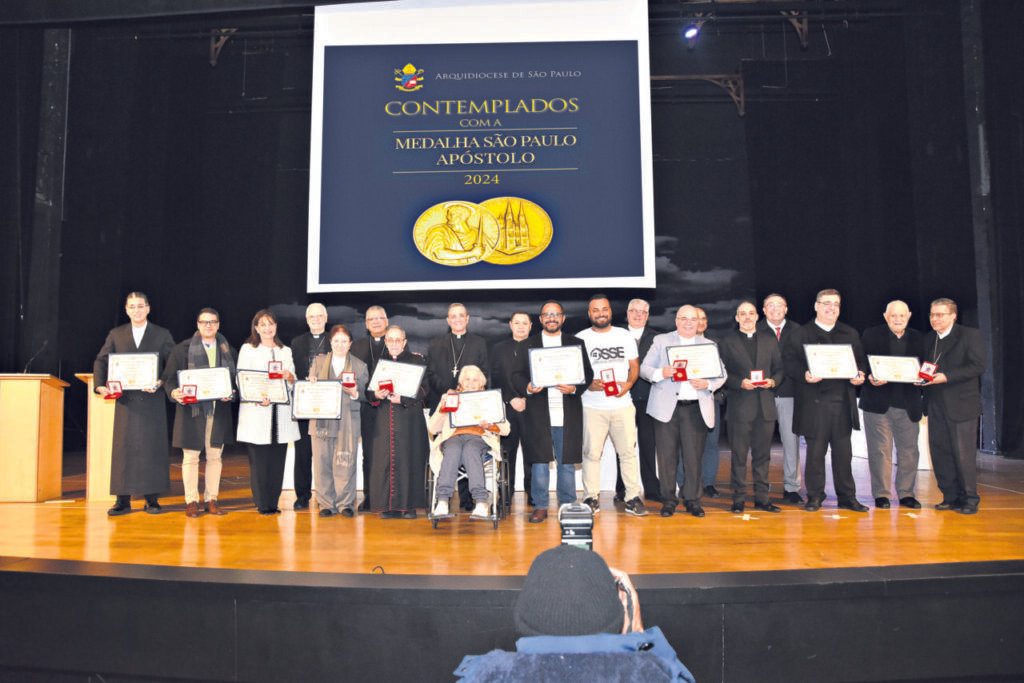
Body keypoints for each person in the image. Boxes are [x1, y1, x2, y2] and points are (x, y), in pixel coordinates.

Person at [455, 545, 695, 682]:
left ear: (522, 615)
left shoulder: (487, 674)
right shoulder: (654, 673)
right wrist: (640, 636)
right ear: (622, 614)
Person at [782, 289, 868, 512]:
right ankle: (814, 496)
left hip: (842, 404)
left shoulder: (850, 333)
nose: (831, 308)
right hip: (814, 404)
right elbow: (789, 363)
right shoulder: (801, 334)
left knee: (844, 455)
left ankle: (847, 497)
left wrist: (860, 374)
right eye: (827, 303)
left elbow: (860, 362)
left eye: (836, 304)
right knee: (815, 455)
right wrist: (804, 374)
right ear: (816, 306)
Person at [93, 292, 175, 515]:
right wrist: (100, 385)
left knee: (152, 448)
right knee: (124, 449)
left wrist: (161, 381)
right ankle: (122, 500)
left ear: (148, 309)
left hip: (152, 401)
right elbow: (101, 360)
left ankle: (152, 499)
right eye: (132, 307)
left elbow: (173, 363)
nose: (136, 310)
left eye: (140, 306)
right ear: (126, 310)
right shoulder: (116, 334)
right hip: (126, 402)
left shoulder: (162, 334)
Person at [641, 305, 726, 518]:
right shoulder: (661, 341)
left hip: (695, 409)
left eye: (693, 319)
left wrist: (708, 384)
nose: (688, 323)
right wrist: (661, 372)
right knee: (666, 458)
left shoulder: (708, 345)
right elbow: (644, 369)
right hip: (666, 409)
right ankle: (668, 500)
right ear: (677, 321)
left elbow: (722, 374)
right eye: (684, 319)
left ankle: (693, 500)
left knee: (693, 458)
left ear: (699, 323)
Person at [512, 301, 594, 523]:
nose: (551, 318)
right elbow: (516, 375)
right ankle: (540, 506)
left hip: (567, 410)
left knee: (566, 461)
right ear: (541, 319)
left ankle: (567, 504)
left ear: (563, 318)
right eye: (547, 314)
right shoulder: (528, 344)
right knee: (539, 461)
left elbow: (587, 373)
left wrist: (574, 388)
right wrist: (528, 387)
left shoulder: (575, 343)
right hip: (539, 411)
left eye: (556, 314)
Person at [162, 307, 237, 517]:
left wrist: (232, 392)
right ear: (198, 324)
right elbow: (168, 379)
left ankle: (212, 499)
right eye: (204, 322)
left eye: (212, 321)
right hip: (191, 412)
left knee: (215, 457)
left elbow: (235, 382)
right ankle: (191, 500)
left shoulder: (228, 350)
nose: (208, 325)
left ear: (218, 324)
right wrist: (174, 392)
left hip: (218, 411)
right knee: (190, 457)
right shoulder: (182, 350)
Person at [577, 295, 646, 517]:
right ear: (590, 314)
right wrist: (588, 384)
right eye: (595, 310)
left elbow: (634, 366)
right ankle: (590, 497)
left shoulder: (624, 336)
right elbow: (576, 371)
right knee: (591, 454)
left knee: (627, 453)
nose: (601, 313)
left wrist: (628, 384)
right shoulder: (580, 338)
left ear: (610, 311)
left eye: (604, 309)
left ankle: (632, 497)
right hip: (592, 406)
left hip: (622, 404)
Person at [921, 297, 987, 514]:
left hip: (962, 406)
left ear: (953, 316)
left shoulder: (969, 335)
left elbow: (978, 366)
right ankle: (949, 496)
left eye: (940, 315)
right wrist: (920, 378)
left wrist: (947, 376)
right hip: (935, 404)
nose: (935, 319)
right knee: (940, 452)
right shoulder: (929, 339)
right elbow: (927, 367)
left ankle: (970, 500)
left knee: (963, 455)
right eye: (932, 315)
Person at [718, 302, 783, 514]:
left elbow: (780, 369)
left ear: (757, 317)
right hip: (739, 408)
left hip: (765, 408)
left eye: (751, 313)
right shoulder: (727, 342)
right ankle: (738, 499)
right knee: (738, 456)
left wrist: (773, 381)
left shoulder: (769, 340)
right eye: (742, 314)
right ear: (737, 318)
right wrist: (739, 383)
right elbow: (722, 373)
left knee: (763, 457)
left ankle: (763, 499)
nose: (747, 317)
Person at [859, 300, 924, 510]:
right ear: (885, 316)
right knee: (880, 451)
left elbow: (927, 365)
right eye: (893, 315)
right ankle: (882, 494)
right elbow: (860, 362)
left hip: (909, 404)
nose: (897, 319)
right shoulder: (871, 335)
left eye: (902, 315)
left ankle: (906, 494)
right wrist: (869, 376)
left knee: (909, 452)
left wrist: (923, 378)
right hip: (877, 404)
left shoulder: (919, 338)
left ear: (909, 316)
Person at [236, 309, 301, 515]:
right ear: (256, 328)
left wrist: (289, 377)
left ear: (276, 326)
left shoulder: (285, 351)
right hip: (257, 412)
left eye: (270, 324)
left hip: (280, 415)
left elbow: (293, 381)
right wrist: (257, 397)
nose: (267, 328)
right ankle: (262, 503)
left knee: (277, 461)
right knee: (259, 462)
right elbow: (241, 379)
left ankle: (274, 502)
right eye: (262, 324)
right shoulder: (248, 349)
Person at [426, 303, 489, 511]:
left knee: (470, 445)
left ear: (467, 318)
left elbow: (485, 373)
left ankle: (468, 499)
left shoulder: (479, 343)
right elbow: (431, 374)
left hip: (474, 407)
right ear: (448, 320)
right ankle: (444, 500)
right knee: (453, 445)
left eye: (461, 315)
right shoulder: (436, 344)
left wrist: (470, 394)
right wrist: (450, 392)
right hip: (445, 404)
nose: (457, 319)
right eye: (453, 316)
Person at [427, 365, 509, 519]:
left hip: (478, 438)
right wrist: (442, 410)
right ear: (461, 382)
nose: (471, 383)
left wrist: (490, 425)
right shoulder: (450, 398)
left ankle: (481, 502)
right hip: (453, 437)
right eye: (467, 379)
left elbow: (506, 430)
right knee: (453, 449)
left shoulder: (491, 399)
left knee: (470, 449)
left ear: (481, 383)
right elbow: (432, 428)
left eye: (475, 380)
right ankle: (442, 501)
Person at [366, 325, 430, 519]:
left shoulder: (416, 361)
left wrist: (403, 399)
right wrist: (376, 394)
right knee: (385, 461)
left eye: (398, 340)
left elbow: (425, 389)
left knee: (409, 459)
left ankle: (409, 507)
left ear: (404, 342)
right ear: (386, 342)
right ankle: (388, 507)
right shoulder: (379, 362)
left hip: (409, 419)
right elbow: (369, 390)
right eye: (390, 340)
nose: (394, 343)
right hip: (385, 419)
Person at [307, 324, 368, 518]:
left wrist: (355, 392)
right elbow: (309, 392)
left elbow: (366, 395)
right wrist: (311, 385)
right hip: (322, 423)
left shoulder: (360, 366)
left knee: (346, 463)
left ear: (350, 344)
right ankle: (326, 503)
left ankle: (345, 504)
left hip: (348, 423)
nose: (340, 345)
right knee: (322, 463)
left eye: (344, 341)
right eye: (336, 341)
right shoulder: (318, 362)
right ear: (330, 342)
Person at [758, 293, 804, 504]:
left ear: (786, 309)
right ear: (764, 310)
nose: (775, 308)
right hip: (761, 393)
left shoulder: (799, 331)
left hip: (790, 393)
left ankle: (792, 487)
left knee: (791, 441)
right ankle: (761, 486)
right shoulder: (755, 329)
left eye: (780, 305)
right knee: (761, 442)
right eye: (770, 305)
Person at [616, 298, 662, 504]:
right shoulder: (616, 335)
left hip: (648, 398)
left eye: (642, 312)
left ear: (647, 315)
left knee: (648, 445)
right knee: (623, 446)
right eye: (634, 311)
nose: (637, 315)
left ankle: (651, 489)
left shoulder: (657, 338)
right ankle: (621, 489)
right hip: (622, 398)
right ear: (627, 313)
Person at [288, 303, 329, 511]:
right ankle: (302, 496)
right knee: (303, 453)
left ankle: (326, 496)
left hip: (328, 404)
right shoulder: (297, 342)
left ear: (326, 318)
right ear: (307, 320)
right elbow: (293, 372)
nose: (316, 319)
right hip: (304, 404)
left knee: (326, 454)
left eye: (320, 316)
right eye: (312, 316)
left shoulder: (334, 340)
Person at [489, 311, 532, 501]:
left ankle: (533, 494)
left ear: (530, 326)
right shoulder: (498, 349)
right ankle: (505, 494)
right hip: (507, 408)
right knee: (507, 453)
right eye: (517, 323)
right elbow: (495, 378)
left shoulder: (538, 346)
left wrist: (526, 398)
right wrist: (510, 398)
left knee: (533, 454)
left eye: (525, 323)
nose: (521, 326)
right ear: (510, 325)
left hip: (532, 407)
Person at [351, 305, 389, 511]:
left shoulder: (395, 342)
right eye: (371, 319)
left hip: (390, 406)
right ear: (366, 324)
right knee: (369, 454)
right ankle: (369, 496)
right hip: (367, 406)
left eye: (379, 318)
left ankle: (391, 496)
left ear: (386, 321)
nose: (376, 322)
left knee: (390, 453)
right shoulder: (357, 346)